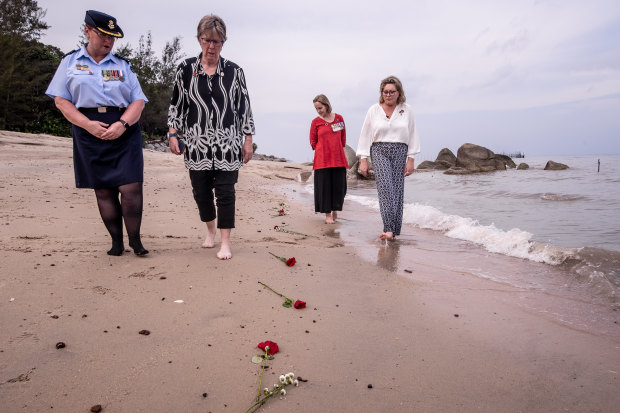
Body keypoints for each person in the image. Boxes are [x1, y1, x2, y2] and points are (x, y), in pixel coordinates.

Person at [46, 10, 149, 256]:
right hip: (88, 128)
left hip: (123, 127)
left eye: (112, 38)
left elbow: (139, 101)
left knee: (131, 188)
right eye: (103, 35)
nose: (109, 42)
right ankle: (116, 242)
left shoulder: (123, 65)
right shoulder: (70, 62)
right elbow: (61, 101)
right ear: (87, 30)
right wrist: (88, 125)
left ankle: (135, 241)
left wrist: (122, 125)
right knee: (103, 189)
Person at [168, 14, 255, 260]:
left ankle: (225, 242)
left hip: (228, 144)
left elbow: (244, 108)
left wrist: (247, 139)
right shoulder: (185, 69)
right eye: (207, 40)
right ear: (199, 39)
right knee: (201, 192)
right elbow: (177, 105)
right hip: (197, 144)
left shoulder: (235, 72)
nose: (211, 46)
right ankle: (210, 230)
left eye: (217, 41)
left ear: (223, 42)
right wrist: (173, 133)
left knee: (226, 192)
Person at [356, 76, 420, 241]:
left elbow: (412, 134)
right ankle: (389, 229)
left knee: (397, 191)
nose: (388, 94)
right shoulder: (373, 110)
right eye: (385, 92)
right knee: (386, 189)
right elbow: (365, 135)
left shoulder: (407, 110)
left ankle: (394, 230)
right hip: (379, 150)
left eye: (392, 91)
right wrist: (364, 159)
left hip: (401, 151)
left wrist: (411, 158)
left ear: (399, 92)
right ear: (381, 93)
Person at [309, 94, 349, 224]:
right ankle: (327, 216)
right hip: (322, 160)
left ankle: (335, 209)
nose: (319, 111)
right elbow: (313, 141)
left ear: (326, 105)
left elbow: (342, 139)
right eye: (317, 109)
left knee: (339, 187)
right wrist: (323, 150)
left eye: (320, 107)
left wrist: (335, 149)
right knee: (324, 188)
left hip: (338, 158)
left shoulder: (339, 118)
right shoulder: (316, 122)